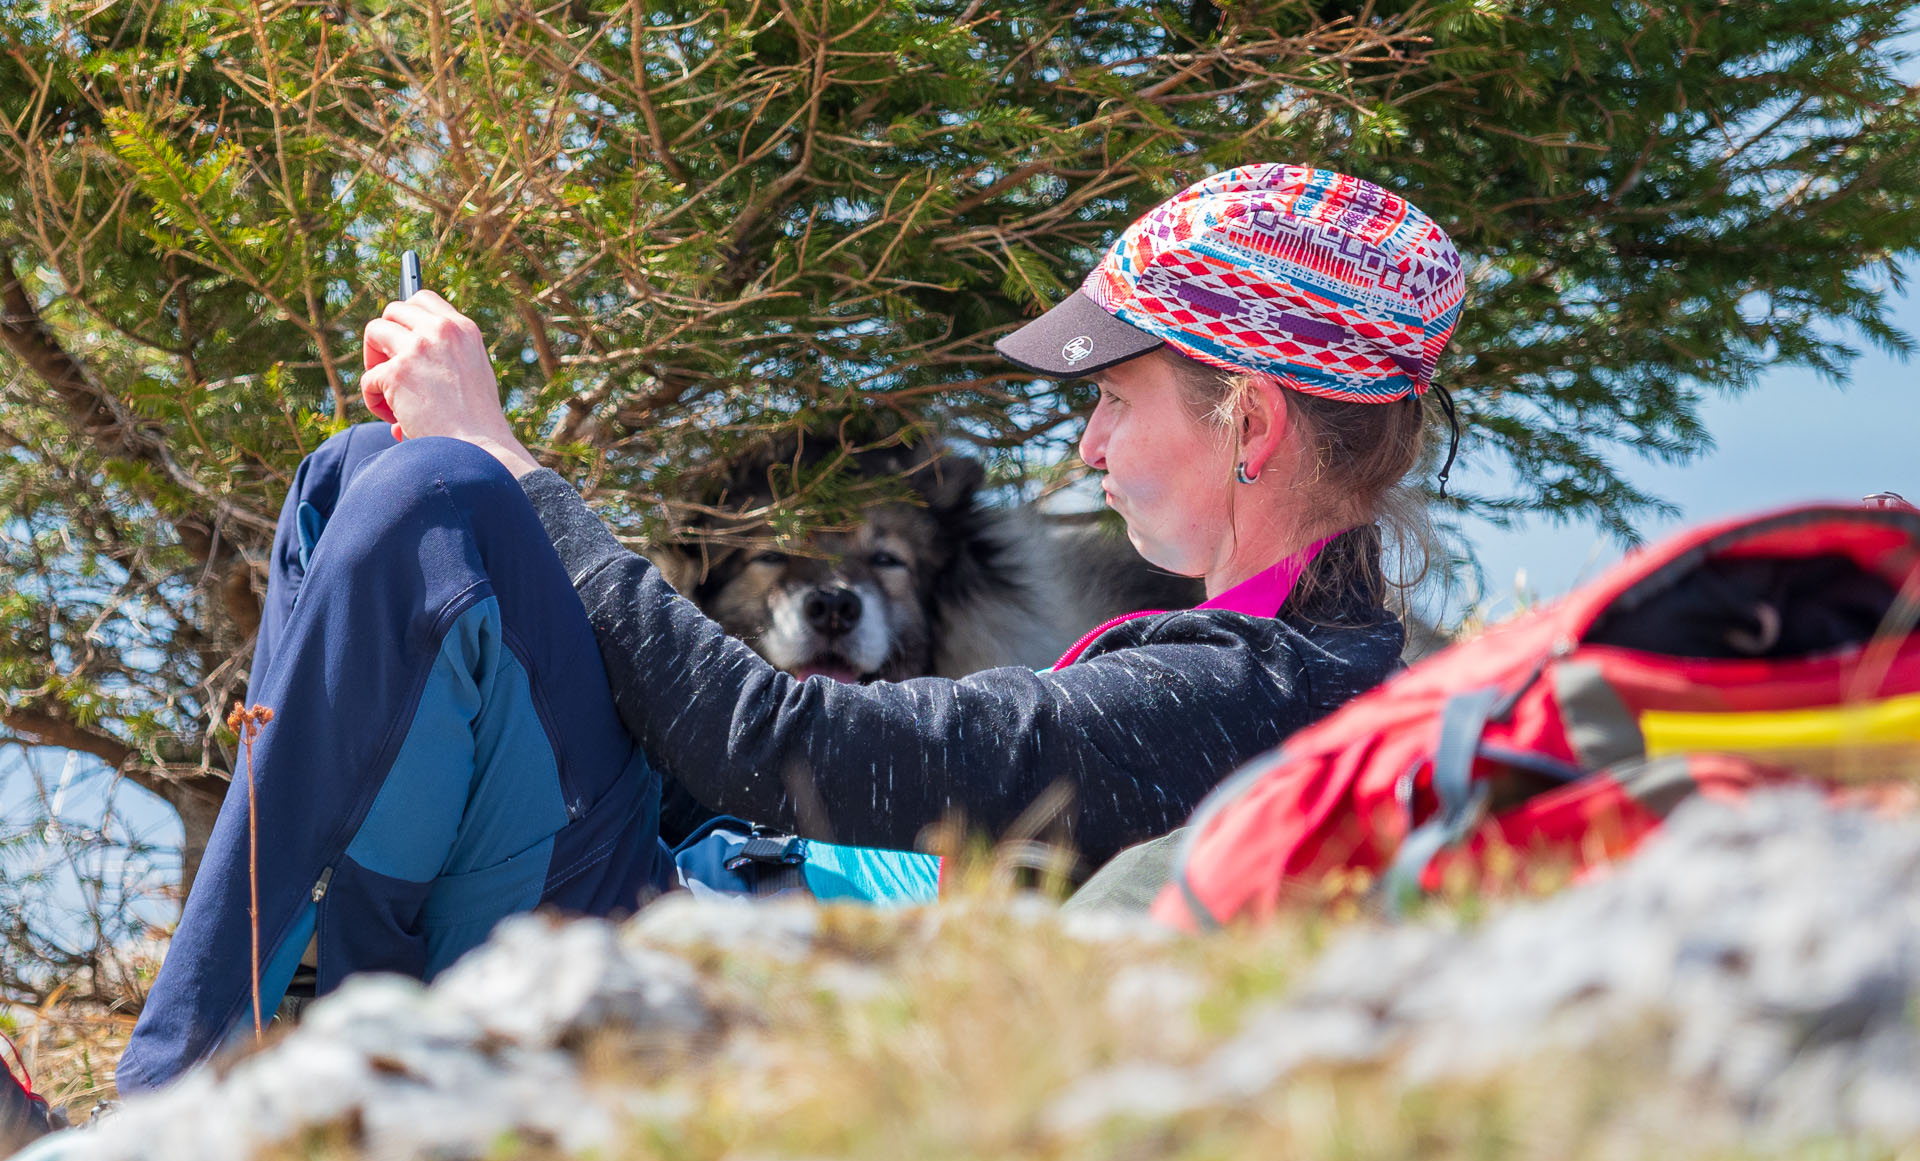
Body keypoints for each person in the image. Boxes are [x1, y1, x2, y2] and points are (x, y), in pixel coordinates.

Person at [116, 164, 1465, 1092]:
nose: (1091, 443)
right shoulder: (1256, 655)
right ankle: (293, 1017)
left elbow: (782, 742)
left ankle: (171, 1101)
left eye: (1118, 398)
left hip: (683, 953)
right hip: (680, 880)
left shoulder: (1259, 686)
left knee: (440, 492)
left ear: (1253, 422)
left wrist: (520, 469)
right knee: (360, 475)